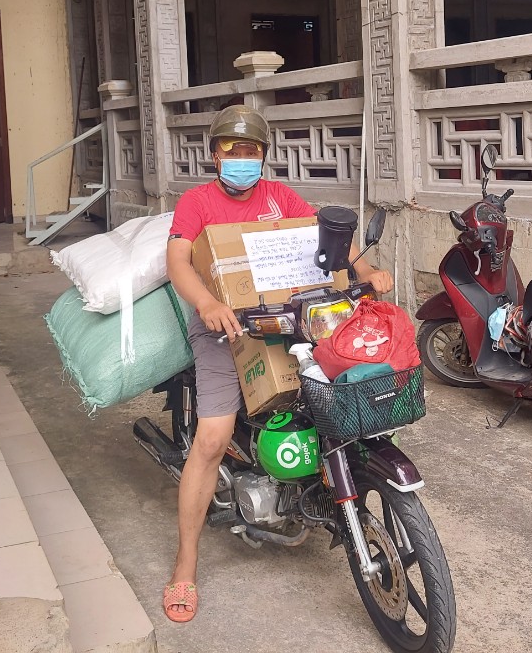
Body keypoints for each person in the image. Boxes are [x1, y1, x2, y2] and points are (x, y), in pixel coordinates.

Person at [161, 104, 394, 623]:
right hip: (223, 327)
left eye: (251, 150)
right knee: (212, 438)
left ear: (263, 156)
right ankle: (185, 565)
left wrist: (367, 270)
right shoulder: (196, 202)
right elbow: (178, 260)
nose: (241, 158)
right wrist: (207, 303)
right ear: (215, 156)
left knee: (337, 396)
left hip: (287, 318)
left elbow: (324, 238)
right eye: (232, 150)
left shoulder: (279, 197)